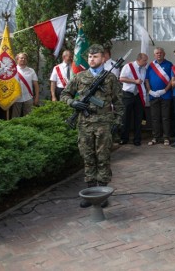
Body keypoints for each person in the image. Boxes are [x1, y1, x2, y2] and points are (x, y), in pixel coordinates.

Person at [61, 44, 124, 207]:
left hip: (104, 125)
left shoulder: (110, 78)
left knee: (103, 158)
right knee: (88, 158)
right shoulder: (80, 76)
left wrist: (117, 121)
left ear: (103, 58)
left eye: (95, 56)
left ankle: (102, 194)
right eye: (89, 56)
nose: (92, 59)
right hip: (84, 124)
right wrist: (73, 102)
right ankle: (90, 194)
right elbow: (64, 94)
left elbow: (119, 102)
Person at [118, 52, 148, 146]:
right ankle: (124, 138)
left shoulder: (144, 69)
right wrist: (134, 81)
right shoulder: (128, 66)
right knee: (126, 117)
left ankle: (137, 139)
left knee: (138, 118)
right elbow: (121, 79)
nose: (146, 62)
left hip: (138, 95)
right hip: (128, 94)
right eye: (144, 60)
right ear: (139, 60)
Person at [145, 47, 173, 146]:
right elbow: (147, 79)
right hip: (153, 96)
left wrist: (165, 90)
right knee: (155, 117)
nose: (159, 54)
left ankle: (166, 138)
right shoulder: (151, 66)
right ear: (154, 55)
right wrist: (149, 91)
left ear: (164, 54)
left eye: (161, 53)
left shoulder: (169, 65)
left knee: (165, 117)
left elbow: (172, 80)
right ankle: (156, 137)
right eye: (157, 53)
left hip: (166, 95)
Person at [10, 52, 39, 118]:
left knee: (29, 117)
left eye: (25, 58)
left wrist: (36, 96)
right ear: (17, 59)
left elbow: (36, 84)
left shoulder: (31, 70)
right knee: (15, 118)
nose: (23, 59)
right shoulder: (12, 70)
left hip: (28, 98)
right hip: (16, 98)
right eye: (21, 58)